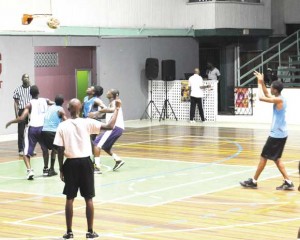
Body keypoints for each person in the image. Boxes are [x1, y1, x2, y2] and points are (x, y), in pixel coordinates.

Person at [53, 98, 121, 239]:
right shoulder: (87, 122)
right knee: (88, 198)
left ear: (69, 109)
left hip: (70, 163)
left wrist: (61, 168)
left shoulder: (62, 126)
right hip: (85, 163)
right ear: (80, 109)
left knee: (69, 198)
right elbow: (110, 126)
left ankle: (69, 232)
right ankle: (90, 231)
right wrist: (117, 109)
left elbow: (59, 150)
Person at [240, 71, 294, 190]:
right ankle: (288, 182)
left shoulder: (279, 100)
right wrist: (262, 81)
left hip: (276, 135)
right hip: (281, 134)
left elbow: (261, 97)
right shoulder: (279, 98)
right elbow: (265, 93)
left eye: (271, 88)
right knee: (276, 159)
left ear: (275, 90)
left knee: (264, 157)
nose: (270, 89)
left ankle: (253, 181)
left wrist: (259, 83)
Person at [6, 85, 54, 180]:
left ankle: (29, 170)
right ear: (38, 92)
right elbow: (53, 103)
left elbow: (22, 118)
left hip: (32, 129)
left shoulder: (29, 104)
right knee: (45, 149)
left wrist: (10, 122)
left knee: (26, 152)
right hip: (43, 128)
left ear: (30, 94)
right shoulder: (45, 100)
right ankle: (45, 169)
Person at [88, 89, 125, 173]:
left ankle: (96, 167)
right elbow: (108, 113)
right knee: (106, 147)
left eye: (109, 91)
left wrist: (96, 112)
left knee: (96, 144)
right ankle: (118, 160)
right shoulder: (112, 103)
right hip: (118, 128)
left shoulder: (115, 102)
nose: (107, 92)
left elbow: (112, 110)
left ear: (113, 95)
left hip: (114, 127)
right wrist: (96, 116)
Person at [41, 94, 67, 176]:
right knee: (55, 150)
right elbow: (66, 120)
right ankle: (51, 169)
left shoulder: (51, 107)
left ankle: (45, 168)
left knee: (46, 150)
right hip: (53, 131)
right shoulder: (61, 109)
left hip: (44, 130)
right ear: (63, 102)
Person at [13, 74, 32, 156]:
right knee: (21, 132)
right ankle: (21, 149)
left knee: (31, 131)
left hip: (31, 111)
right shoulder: (18, 89)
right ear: (22, 79)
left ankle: (30, 149)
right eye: (24, 77)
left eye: (27, 77)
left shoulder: (32, 89)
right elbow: (16, 103)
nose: (26, 78)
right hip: (21, 111)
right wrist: (16, 115)